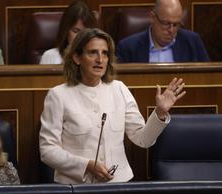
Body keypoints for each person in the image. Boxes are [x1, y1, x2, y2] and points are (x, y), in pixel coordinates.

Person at [39, 28, 186, 184]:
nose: (100, 59)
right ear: (77, 57)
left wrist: (160, 113)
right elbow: (48, 150)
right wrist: (86, 165)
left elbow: (143, 139)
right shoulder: (58, 96)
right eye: (93, 53)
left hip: (118, 185)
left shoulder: (119, 89)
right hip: (76, 187)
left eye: (105, 53)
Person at [116, 0, 210, 63]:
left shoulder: (193, 42)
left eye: (176, 24)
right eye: (166, 23)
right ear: (152, 18)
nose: (171, 30)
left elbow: (207, 78)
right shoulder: (127, 48)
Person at [39, 0, 98, 64]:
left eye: (86, 32)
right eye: (76, 31)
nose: (81, 37)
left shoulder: (100, 58)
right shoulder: (50, 56)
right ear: (66, 31)